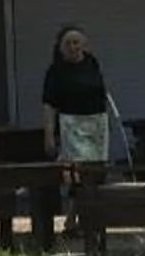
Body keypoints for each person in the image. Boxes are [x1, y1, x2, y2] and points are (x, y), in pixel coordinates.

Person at [42, 26, 119, 166]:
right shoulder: (55, 71)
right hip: (72, 125)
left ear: (83, 44)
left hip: (97, 123)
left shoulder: (92, 62)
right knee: (77, 167)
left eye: (76, 42)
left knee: (98, 165)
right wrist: (49, 136)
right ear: (60, 48)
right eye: (67, 43)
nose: (72, 47)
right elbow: (49, 106)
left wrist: (107, 122)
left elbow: (101, 92)